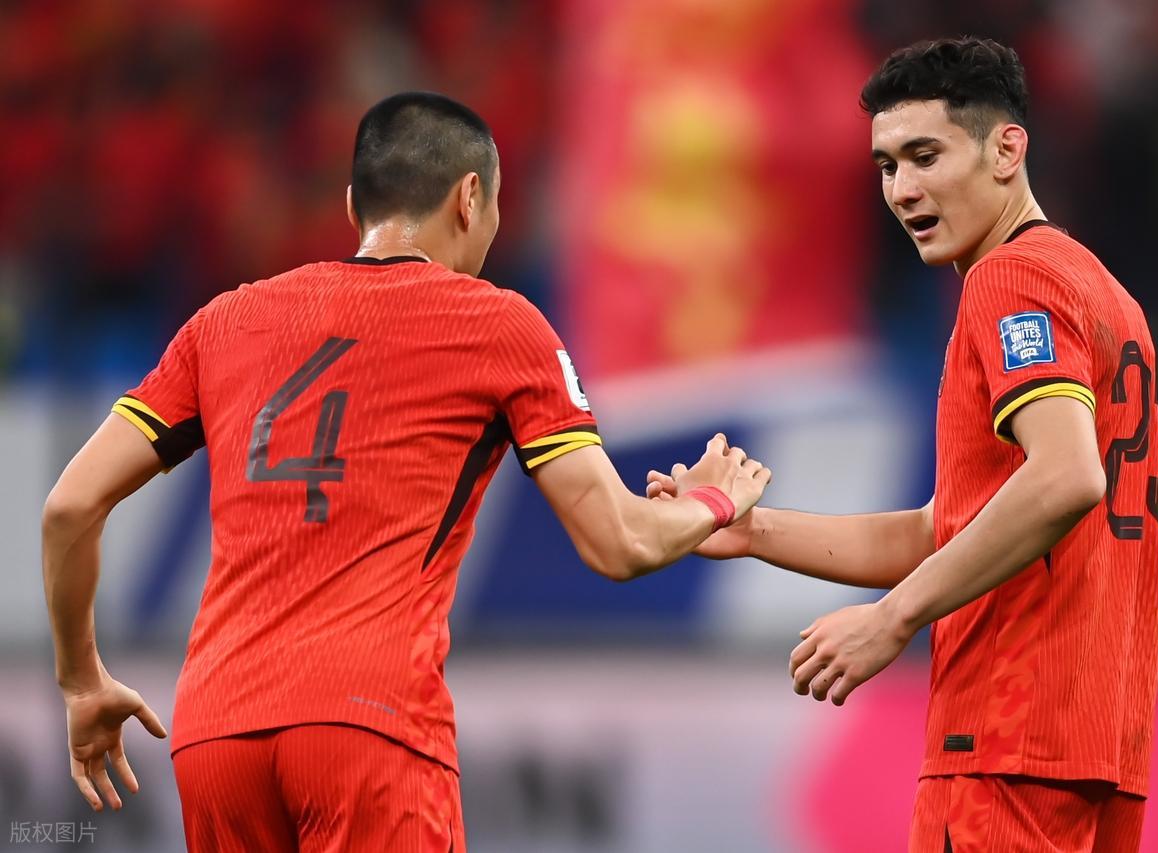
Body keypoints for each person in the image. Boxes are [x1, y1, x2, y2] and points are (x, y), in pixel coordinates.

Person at [41, 91, 771, 853]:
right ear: (470, 197)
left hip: (215, 732)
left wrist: (81, 680)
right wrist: (714, 499)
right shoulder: (498, 323)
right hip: (370, 723)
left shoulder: (223, 322)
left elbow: (69, 505)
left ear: (352, 204)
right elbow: (619, 541)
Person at [649, 37, 1158, 852]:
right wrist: (753, 531)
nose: (903, 189)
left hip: (1005, 738)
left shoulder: (1012, 279)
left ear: (1007, 149)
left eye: (926, 156)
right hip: (1097, 749)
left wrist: (893, 617)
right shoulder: (1105, 294)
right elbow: (947, 531)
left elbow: (1067, 476)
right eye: (887, 166)